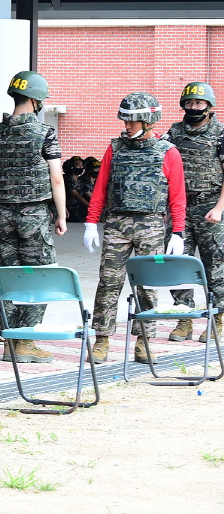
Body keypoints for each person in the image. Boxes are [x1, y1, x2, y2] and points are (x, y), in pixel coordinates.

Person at [83, 92, 185, 364]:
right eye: (125, 120)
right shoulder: (115, 148)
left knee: (146, 286)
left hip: (151, 225)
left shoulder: (168, 152)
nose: (126, 125)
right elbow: (100, 188)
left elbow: (177, 195)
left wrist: (178, 231)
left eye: (132, 121)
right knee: (108, 283)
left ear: (148, 120)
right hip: (116, 224)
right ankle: (102, 339)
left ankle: (144, 341)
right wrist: (91, 222)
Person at [0, 71, 67, 363]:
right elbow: (56, 178)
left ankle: (9, 339)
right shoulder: (44, 132)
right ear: (36, 100)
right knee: (39, 277)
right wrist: (60, 215)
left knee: (8, 276)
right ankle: (25, 341)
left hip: (3, 213)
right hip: (34, 214)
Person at [162, 82, 224, 345]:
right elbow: (162, 167)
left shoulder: (220, 133)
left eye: (198, 104)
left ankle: (219, 319)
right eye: (188, 103)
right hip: (180, 209)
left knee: (216, 267)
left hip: (211, 207)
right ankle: (184, 317)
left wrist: (219, 209)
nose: (193, 108)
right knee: (178, 264)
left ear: (209, 107)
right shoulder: (174, 132)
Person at [63, 156, 89, 222]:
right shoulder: (67, 178)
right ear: (71, 166)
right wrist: (90, 205)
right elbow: (75, 194)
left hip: (78, 208)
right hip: (68, 208)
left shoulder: (81, 180)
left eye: (82, 165)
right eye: (78, 165)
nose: (81, 167)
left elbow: (87, 192)